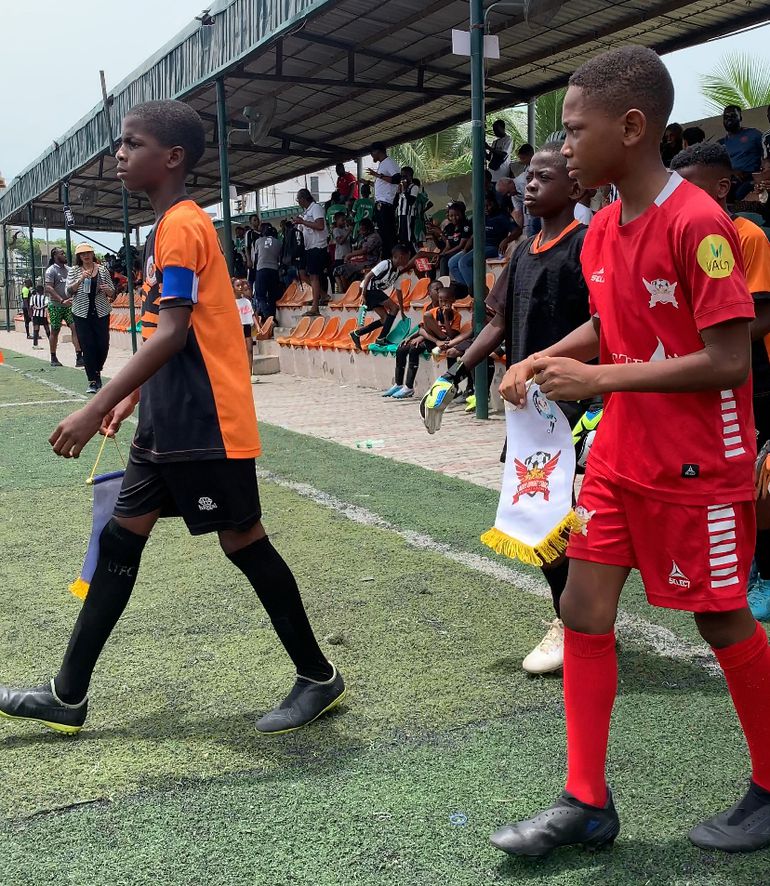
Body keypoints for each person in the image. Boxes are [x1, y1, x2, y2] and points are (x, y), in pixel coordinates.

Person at [491, 45, 770, 858]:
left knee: (721, 619)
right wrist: (542, 359)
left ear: (633, 126)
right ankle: (586, 801)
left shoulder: (698, 224)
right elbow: (610, 323)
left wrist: (595, 377)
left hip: (698, 463)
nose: (564, 147)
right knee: (581, 609)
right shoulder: (603, 228)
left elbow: (728, 359)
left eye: (576, 130)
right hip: (619, 457)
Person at [0, 99, 345, 738]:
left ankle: (318, 676)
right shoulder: (166, 228)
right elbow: (169, 328)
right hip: (167, 422)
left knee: (243, 541)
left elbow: (174, 332)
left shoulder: (182, 226)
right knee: (120, 539)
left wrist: (94, 405)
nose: (119, 155)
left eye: (132, 143)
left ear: (173, 157)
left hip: (205, 422)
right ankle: (67, 694)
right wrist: (132, 398)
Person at [424, 142, 590, 672]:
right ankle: (571, 619)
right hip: (529, 410)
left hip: (577, 401)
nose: (530, 184)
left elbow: (604, 327)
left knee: (565, 514)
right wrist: (454, 374)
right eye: (528, 177)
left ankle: (579, 620)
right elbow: (497, 322)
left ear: (575, 187)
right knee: (545, 513)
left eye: (544, 176)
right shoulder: (521, 250)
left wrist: (598, 396)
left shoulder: (586, 245)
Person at [670, 142, 770, 620]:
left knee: (760, 480)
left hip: (754, 374)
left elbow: (762, 316)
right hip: (702, 374)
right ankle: (728, 565)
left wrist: (704, 347)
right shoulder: (681, 234)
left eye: (688, 187)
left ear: (723, 186)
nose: (677, 197)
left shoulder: (748, 235)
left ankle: (762, 574)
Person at [66, 244, 115, 395]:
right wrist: (80, 279)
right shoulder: (74, 270)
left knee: (103, 344)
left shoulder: (102, 270)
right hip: (81, 313)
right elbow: (68, 291)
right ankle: (92, 380)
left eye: (88, 253)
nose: (86, 256)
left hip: (101, 311)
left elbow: (112, 292)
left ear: (93, 254)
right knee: (87, 346)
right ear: (79, 257)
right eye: (82, 254)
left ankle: (97, 370)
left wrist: (107, 290)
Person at [383, 279, 442, 398]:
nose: (439, 292)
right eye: (436, 289)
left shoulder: (443, 308)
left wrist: (421, 338)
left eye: (441, 289)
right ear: (429, 293)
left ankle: (409, 387)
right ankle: (398, 384)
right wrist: (410, 337)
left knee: (414, 349)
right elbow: (423, 326)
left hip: (435, 340)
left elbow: (437, 330)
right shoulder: (427, 307)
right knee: (401, 348)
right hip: (426, 336)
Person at [448, 193, 517, 294]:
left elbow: (517, 230)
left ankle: (477, 293)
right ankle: (466, 290)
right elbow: (473, 235)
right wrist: (466, 248)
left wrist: (506, 240)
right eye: (483, 206)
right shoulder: (481, 216)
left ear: (494, 203)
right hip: (478, 246)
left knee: (464, 262)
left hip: (492, 247)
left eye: (488, 205)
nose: (486, 208)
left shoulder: (502, 216)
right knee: (452, 262)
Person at [349, 244, 411, 350]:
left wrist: (402, 310)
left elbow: (399, 291)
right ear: (401, 257)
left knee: (385, 319)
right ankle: (381, 339)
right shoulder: (385, 264)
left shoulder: (397, 272)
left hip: (374, 291)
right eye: (407, 258)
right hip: (369, 289)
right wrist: (363, 295)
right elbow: (368, 276)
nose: (408, 260)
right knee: (394, 308)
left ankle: (357, 333)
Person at [45, 247, 83, 368]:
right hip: (56, 306)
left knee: (75, 327)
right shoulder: (51, 271)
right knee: (55, 331)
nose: (64, 255)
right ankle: (53, 356)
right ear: (55, 256)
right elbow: (49, 288)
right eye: (62, 253)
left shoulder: (70, 270)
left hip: (69, 305)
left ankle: (79, 356)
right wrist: (61, 300)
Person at [293, 188, 329, 317]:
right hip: (308, 247)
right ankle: (323, 295)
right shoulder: (306, 212)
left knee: (314, 276)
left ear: (303, 198)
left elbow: (320, 226)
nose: (298, 202)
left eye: (298, 199)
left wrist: (303, 222)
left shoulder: (316, 208)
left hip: (317, 246)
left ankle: (315, 306)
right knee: (302, 274)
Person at [719, 105, 764, 200]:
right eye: (726, 117)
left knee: (740, 193)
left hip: (750, 177)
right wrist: (732, 171)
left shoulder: (753, 134)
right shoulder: (720, 144)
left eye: (733, 116)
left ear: (740, 118)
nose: (729, 119)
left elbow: (766, 156)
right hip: (730, 179)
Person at [367, 142, 401, 255]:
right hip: (380, 203)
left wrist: (378, 175)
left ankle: (393, 257)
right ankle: (387, 257)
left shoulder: (389, 162)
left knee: (388, 234)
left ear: (377, 151)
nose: (371, 155)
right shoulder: (383, 164)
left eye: (372, 152)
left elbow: (397, 179)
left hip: (385, 203)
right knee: (383, 234)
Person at [334, 218, 382, 290]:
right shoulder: (365, 236)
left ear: (368, 229)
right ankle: (343, 290)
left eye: (362, 230)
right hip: (361, 261)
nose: (361, 232)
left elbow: (364, 250)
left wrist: (350, 255)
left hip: (369, 262)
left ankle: (346, 291)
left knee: (341, 270)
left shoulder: (374, 237)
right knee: (338, 271)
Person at [429, 202, 472, 279]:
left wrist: (443, 254)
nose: (454, 218)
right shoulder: (449, 227)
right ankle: (431, 283)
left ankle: (444, 282)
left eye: (457, 215)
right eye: (451, 216)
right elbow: (448, 246)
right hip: (451, 251)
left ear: (462, 214)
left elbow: (460, 246)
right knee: (433, 261)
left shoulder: (466, 226)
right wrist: (440, 254)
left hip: (462, 251)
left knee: (444, 259)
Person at [252, 223, 282, 322]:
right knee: (272, 296)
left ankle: (268, 316)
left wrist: (255, 271)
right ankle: (272, 316)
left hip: (261, 269)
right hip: (274, 270)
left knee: (260, 295)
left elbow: (256, 257)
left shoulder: (258, 241)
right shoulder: (278, 243)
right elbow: (279, 258)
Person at [234, 277, 257, 380]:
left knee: (250, 349)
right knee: (239, 350)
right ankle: (240, 373)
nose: (240, 288)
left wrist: (257, 326)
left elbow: (252, 314)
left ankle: (250, 373)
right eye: (237, 286)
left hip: (247, 326)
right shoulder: (231, 302)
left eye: (241, 285)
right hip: (237, 327)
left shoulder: (247, 301)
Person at [396, 166, 420, 250]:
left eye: (405, 176)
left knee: (408, 237)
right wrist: (398, 192)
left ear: (410, 176)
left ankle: (413, 252)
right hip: (401, 214)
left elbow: (411, 201)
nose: (403, 178)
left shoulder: (414, 187)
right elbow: (396, 201)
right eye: (402, 176)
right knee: (402, 236)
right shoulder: (402, 187)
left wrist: (404, 190)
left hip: (408, 215)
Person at [486, 120, 513, 187]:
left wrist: (489, 148)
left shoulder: (508, 140)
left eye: (496, 129)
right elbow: (490, 158)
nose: (495, 131)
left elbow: (503, 155)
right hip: (492, 175)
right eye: (494, 129)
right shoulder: (495, 142)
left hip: (502, 176)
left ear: (502, 128)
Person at [330, 212, 351, 281]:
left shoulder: (345, 229)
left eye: (345, 220)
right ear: (337, 220)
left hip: (347, 255)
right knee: (342, 276)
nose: (344, 222)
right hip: (340, 257)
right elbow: (340, 242)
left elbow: (351, 241)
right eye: (342, 220)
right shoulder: (336, 230)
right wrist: (348, 232)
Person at [30, 284, 50, 349]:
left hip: (35, 315)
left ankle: (35, 345)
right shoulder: (45, 297)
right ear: (43, 290)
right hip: (43, 315)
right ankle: (52, 342)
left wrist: (36, 308)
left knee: (36, 330)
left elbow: (31, 306)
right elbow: (46, 304)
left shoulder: (33, 297)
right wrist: (41, 307)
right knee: (47, 328)